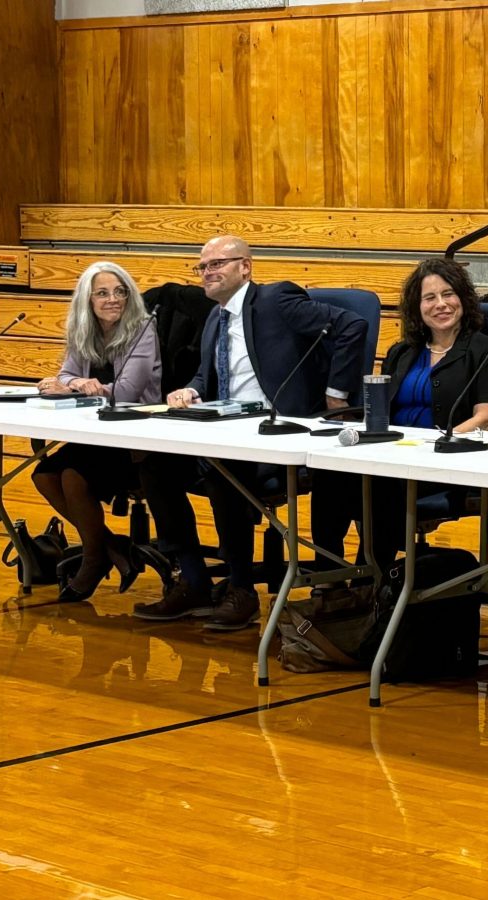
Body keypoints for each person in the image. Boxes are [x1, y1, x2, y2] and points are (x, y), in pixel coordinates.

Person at [132, 235, 367, 631]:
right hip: (228, 429)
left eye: (217, 264)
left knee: (224, 467)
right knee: (154, 464)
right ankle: (193, 580)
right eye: (202, 266)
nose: (207, 272)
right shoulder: (215, 318)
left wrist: (336, 392)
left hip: (280, 432)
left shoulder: (277, 300)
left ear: (245, 267)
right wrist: (190, 390)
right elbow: (207, 375)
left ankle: (241, 588)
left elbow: (352, 326)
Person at [311, 257, 488, 572]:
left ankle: (369, 581)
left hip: (444, 462)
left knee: (383, 485)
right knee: (329, 473)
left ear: (463, 298)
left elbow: (487, 416)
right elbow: (380, 409)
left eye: (448, 294)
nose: (440, 304)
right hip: (391, 454)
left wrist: (441, 443)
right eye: (429, 298)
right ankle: (327, 578)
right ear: (418, 308)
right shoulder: (402, 352)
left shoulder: (485, 350)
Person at [33, 261, 161, 603]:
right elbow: (65, 375)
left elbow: (128, 391)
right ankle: (109, 545)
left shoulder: (141, 329)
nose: (112, 299)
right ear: (88, 301)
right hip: (95, 433)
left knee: (74, 477)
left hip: (135, 434)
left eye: (120, 292)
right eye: (102, 293)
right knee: (44, 475)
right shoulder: (84, 329)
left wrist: (87, 388)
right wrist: (77, 383)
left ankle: (93, 558)